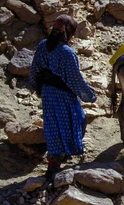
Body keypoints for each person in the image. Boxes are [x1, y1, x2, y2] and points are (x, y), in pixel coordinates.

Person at [28, 15, 96, 179]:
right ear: (69, 33)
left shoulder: (43, 45)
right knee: (77, 121)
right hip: (62, 95)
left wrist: (38, 89)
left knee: (52, 125)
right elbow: (74, 79)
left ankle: (57, 159)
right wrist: (89, 96)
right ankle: (58, 162)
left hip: (47, 93)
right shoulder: (66, 53)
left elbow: (35, 70)